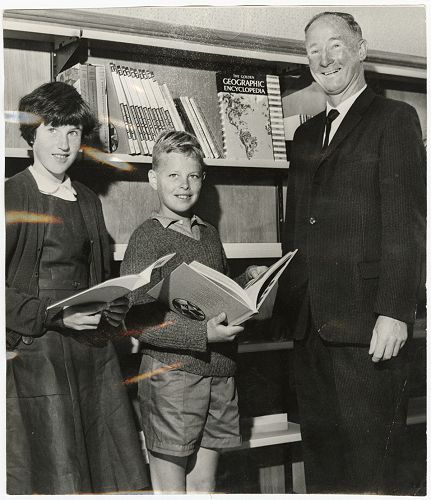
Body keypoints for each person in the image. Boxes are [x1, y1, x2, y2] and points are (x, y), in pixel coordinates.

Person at [275, 11, 426, 494]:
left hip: (367, 329)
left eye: (335, 45)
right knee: (323, 472)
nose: (324, 58)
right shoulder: (302, 137)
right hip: (309, 330)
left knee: (371, 473)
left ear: (360, 49)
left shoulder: (395, 119)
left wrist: (395, 311)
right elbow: (296, 230)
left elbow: (406, 222)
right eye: (314, 50)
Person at [6, 81, 149, 494]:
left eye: (72, 132)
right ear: (32, 134)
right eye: (52, 129)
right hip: (37, 350)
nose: (64, 143)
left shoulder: (87, 198)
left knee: (108, 465)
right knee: (56, 469)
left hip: (91, 350)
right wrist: (54, 315)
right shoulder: (10, 194)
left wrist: (120, 300)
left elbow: (99, 277)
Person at [120, 130, 266, 494]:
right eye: (173, 175)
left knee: (204, 487)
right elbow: (135, 320)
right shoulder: (147, 238)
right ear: (154, 179)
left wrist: (248, 279)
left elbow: (217, 294)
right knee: (172, 490)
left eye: (193, 175)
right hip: (173, 379)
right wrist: (202, 335)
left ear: (203, 178)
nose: (184, 185)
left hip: (220, 374)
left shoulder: (210, 234)